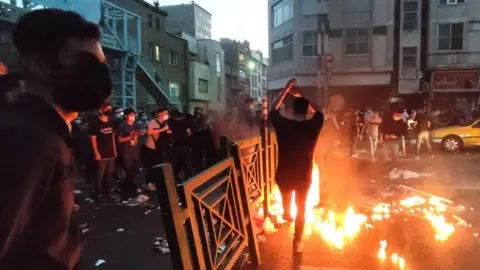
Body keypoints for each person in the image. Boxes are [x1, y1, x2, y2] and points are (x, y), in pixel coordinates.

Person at [0, 9, 111, 269]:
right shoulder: (30, 142)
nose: (98, 75)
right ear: (40, 66)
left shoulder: (46, 133)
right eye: (85, 63)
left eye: (101, 64)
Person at [269, 78, 324, 252]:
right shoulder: (313, 126)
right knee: (302, 208)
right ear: (307, 111)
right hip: (303, 176)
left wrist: (286, 89)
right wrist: (302, 95)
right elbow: (320, 110)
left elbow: (272, 109)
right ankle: (298, 242)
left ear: (291, 111)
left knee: (287, 201)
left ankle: (286, 213)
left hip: (284, 176)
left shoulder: (283, 124)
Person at [89, 104, 118, 203]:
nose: (109, 110)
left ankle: (107, 193)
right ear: (101, 110)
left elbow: (112, 138)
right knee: (99, 176)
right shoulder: (95, 123)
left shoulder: (110, 122)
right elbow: (93, 140)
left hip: (110, 153)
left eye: (110, 108)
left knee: (109, 175)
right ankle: (98, 194)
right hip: (101, 154)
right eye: (107, 108)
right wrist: (96, 153)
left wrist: (114, 151)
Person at [117, 108, 144, 198]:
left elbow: (140, 133)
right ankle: (127, 189)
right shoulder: (122, 126)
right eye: (131, 115)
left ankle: (128, 187)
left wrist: (140, 133)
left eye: (134, 115)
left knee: (134, 169)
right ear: (125, 116)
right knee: (128, 170)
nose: (133, 117)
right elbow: (119, 139)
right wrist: (130, 137)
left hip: (135, 150)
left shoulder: (136, 125)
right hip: (126, 151)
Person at [144, 108, 172, 191]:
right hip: (152, 147)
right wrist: (163, 129)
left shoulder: (165, 123)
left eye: (167, 113)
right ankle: (149, 183)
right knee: (152, 166)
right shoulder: (153, 122)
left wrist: (168, 132)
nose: (166, 115)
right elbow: (149, 132)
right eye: (165, 113)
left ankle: (155, 182)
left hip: (161, 147)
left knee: (159, 166)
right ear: (160, 114)